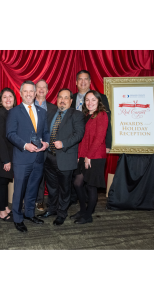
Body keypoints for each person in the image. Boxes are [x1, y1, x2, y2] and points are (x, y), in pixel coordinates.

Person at [6, 80, 50, 233]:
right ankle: (18, 219)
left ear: (35, 93)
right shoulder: (14, 112)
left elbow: (45, 132)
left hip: (38, 158)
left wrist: (46, 143)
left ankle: (29, 213)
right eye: (26, 91)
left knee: (32, 189)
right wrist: (25, 145)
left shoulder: (42, 112)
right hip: (22, 158)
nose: (29, 94)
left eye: (32, 91)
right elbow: (10, 134)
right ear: (20, 92)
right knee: (19, 190)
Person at [37, 89, 84, 225]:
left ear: (71, 100)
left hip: (65, 157)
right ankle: (51, 209)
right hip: (49, 157)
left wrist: (63, 143)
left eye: (66, 98)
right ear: (57, 100)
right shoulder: (50, 113)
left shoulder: (77, 115)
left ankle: (61, 213)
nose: (62, 100)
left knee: (64, 188)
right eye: (60, 98)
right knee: (52, 187)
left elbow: (78, 134)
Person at [70, 70, 112, 205]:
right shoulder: (72, 98)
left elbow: (106, 125)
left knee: (89, 183)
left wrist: (108, 144)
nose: (83, 82)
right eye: (80, 79)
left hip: (94, 148)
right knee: (77, 179)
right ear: (76, 82)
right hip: (76, 144)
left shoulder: (101, 99)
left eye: (86, 79)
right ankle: (81, 205)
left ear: (90, 81)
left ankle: (88, 210)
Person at [71, 90, 108, 224]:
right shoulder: (86, 115)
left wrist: (89, 156)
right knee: (77, 183)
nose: (90, 102)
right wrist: (80, 156)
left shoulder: (102, 115)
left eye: (93, 99)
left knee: (91, 186)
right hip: (84, 156)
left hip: (95, 157)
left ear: (98, 101)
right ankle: (83, 210)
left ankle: (88, 216)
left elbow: (99, 139)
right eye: (87, 100)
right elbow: (83, 139)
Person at [0, 88, 17, 222]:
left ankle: (6, 208)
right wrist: (6, 160)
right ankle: (2, 212)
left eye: (10, 97)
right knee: (1, 183)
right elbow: (0, 139)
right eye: (5, 97)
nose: (8, 99)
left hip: (10, 155)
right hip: (2, 156)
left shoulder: (13, 113)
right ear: (0, 100)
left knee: (5, 182)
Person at [34, 79, 57, 212]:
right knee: (37, 175)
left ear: (48, 91)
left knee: (50, 176)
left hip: (50, 148)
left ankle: (53, 203)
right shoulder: (28, 106)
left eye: (44, 88)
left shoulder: (54, 108)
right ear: (35, 90)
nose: (41, 90)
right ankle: (38, 200)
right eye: (39, 87)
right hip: (33, 147)